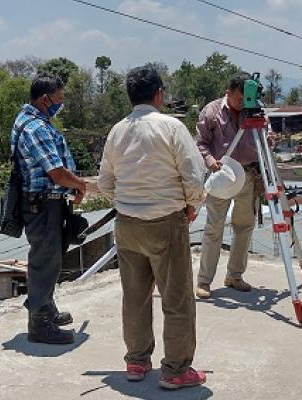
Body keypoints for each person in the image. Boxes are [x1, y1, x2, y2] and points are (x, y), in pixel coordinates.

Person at [98, 66, 207, 389]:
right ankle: (175, 370)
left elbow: (105, 182)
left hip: (127, 225)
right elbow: (194, 177)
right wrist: (191, 205)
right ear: (159, 93)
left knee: (135, 297)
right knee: (177, 300)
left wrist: (128, 202)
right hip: (165, 222)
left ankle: (136, 361)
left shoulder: (117, 130)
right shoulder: (171, 127)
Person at [12, 75, 87, 345]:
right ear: (45, 98)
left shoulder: (34, 122)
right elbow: (55, 171)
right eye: (60, 98)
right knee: (44, 261)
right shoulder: (36, 128)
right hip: (43, 204)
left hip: (47, 202)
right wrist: (80, 185)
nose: (61, 103)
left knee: (50, 258)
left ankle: (47, 309)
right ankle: (40, 324)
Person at [195, 73, 263, 299]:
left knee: (244, 227)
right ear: (229, 92)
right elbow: (201, 143)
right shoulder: (212, 111)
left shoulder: (255, 109)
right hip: (222, 174)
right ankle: (204, 280)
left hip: (249, 174)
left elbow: (267, 132)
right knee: (214, 228)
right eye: (239, 98)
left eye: (246, 99)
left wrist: (269, 138)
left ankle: (235, 275)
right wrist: (209, 161)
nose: (243, 103)